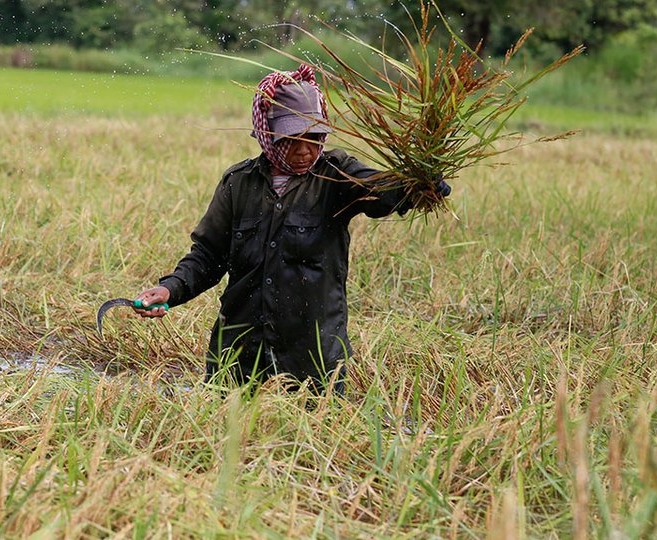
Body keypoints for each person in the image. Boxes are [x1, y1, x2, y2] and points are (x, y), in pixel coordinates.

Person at [133, 64, 450, 394]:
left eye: (313, 139)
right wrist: (171, 288)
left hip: (311, 361)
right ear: (268, 135)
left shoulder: (336, 177)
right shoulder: (239, 184)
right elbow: (209, 256)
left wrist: (417, 185)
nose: (303, 150)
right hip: (239, 355)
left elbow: (381, 191)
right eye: (292, 139)